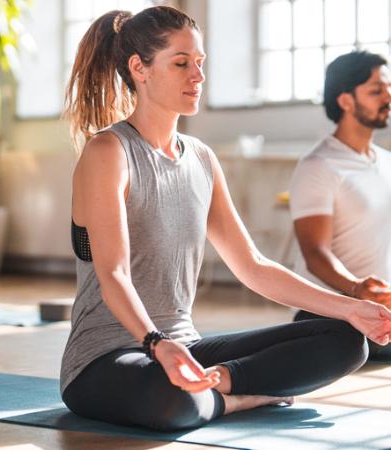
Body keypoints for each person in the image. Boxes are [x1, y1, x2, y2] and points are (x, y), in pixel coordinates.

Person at [60, 8, 391, 431]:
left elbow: (252, 267)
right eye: (181, 64)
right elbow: (113, 274)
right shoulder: (109, 153)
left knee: (346, 340)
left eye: (200, 64)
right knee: (167, 397)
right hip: (105, 359)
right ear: (139, 68)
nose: (197, 76)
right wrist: (156, 343)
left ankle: (223, 384)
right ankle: (240, 400)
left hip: (185, 348)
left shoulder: (201, 159)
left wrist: (351, 309)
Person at [289, 51, 391, 360]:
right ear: (346, 101)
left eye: (388, 87)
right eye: (376, 90)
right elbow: (315, 254)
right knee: (348, 345)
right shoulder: (318, 166)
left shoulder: (386, 162)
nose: (388, 96)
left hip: (381, 310)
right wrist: (357, 288)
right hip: (332, 313)